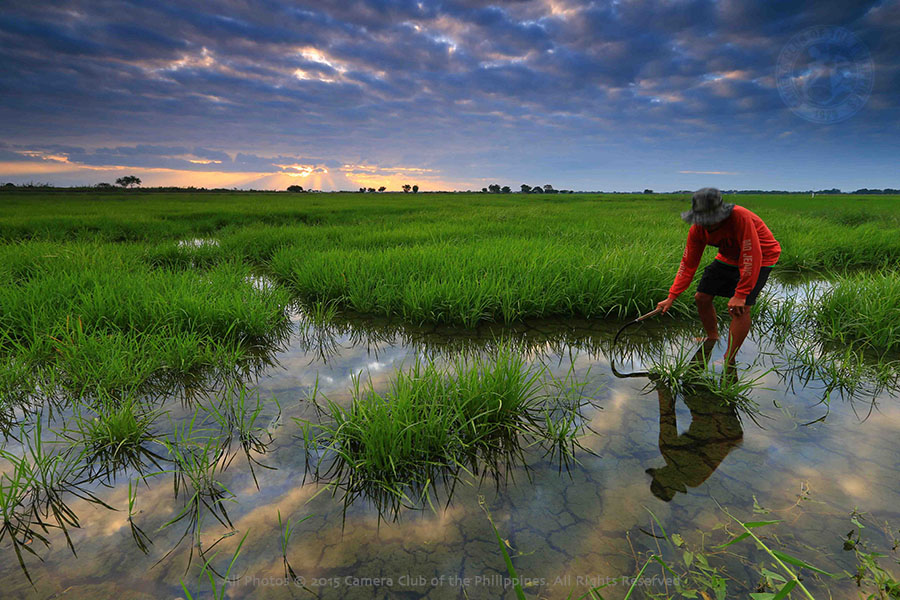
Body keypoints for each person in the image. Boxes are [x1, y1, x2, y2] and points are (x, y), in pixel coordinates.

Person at [656, 188, 781, 365]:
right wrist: (672, 296)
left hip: (762, 257)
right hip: (729, 256)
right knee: (701, 297)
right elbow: (688, 264)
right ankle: (712, 338)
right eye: (703, 220)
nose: (708, 225)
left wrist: (740, 294)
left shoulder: (740, 218)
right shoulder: (697, 230)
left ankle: (729, 358)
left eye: (711, 220)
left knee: (741, 308)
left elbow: (751, 254)